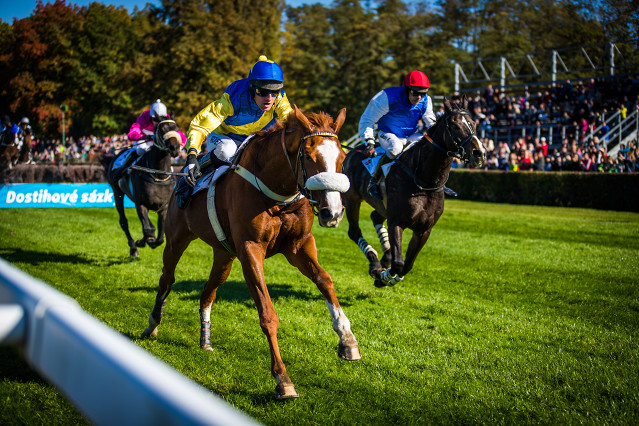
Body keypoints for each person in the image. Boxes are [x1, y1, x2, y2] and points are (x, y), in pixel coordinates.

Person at [181, 55, 293, 187]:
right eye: (262, 91)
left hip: (250, 140)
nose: (269, 98)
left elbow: (292, 122)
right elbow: (201, 125)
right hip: (222, 137)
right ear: (252, 87)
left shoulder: (279, 99)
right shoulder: (234, 97)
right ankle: (196, 170)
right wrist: (192, 155)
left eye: (274, 92)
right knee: (227, 151)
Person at [357, 70, 437, 199]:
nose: (419, 97)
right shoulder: (387, 96)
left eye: (423, 93)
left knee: (429, 147)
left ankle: (434, 184)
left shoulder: (426, 101)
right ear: (406, 89)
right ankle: (374, 181)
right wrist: (369, 141)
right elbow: (367, 119)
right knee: (396, 148)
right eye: (415, 92)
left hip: (410, 134)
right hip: (387, 133)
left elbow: (431, 122)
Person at [113, 99, 187, 181]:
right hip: (145, 140)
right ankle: (122, 170)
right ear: (151, 117)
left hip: (159, 142)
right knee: (141, 150)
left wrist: (181, 145)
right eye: (155, 120)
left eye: (161, 119)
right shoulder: (144, 117)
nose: (158, 122)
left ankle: (170, 175)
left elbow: (182, 137)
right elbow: (131, 134)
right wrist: (144, 137)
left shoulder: (167, 119)